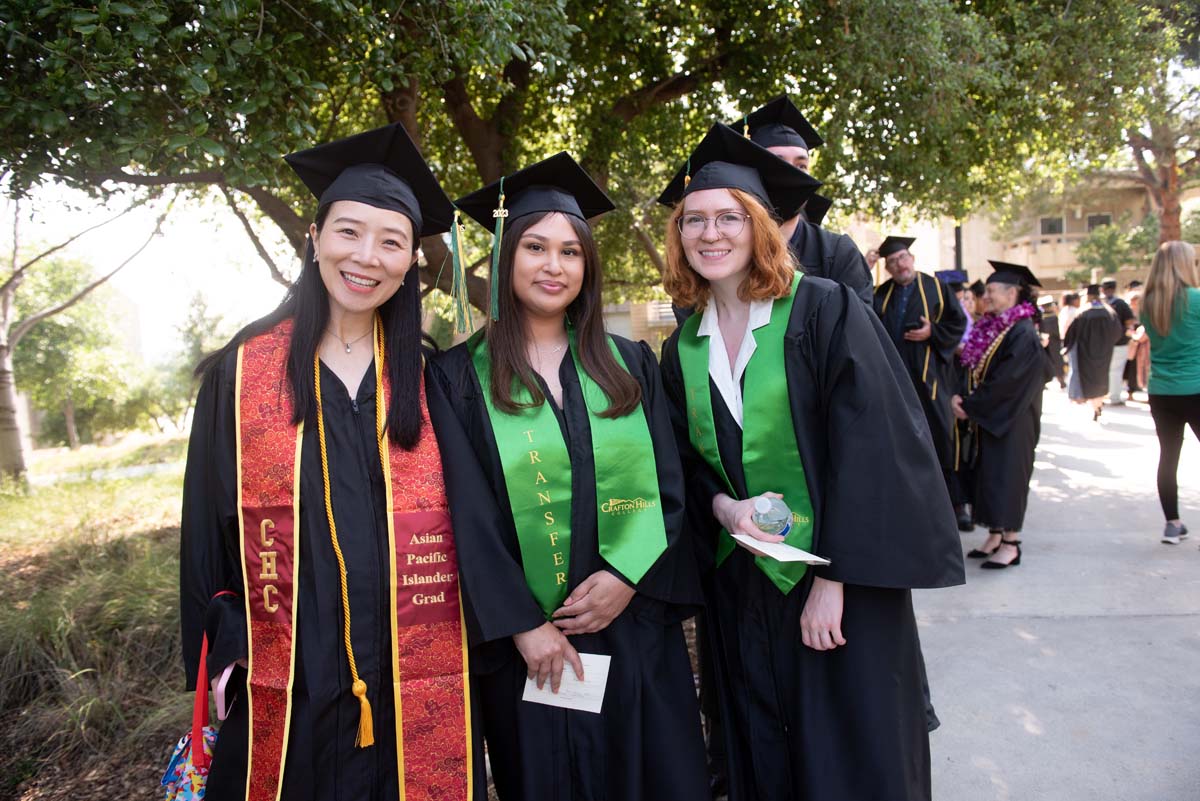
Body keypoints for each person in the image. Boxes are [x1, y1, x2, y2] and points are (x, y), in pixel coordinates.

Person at [657, 122, 964, 801]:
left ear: (762, 226)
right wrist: (721, 504)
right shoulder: (681, 347)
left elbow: (876, 450)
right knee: (764, 744)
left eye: (729, 217)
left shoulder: (825, 312)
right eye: (695, 220)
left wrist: (835, 578)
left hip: (842, 585)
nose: (711, 233)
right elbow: (683, 460)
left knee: (852, 751)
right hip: (745, 583)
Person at [179, 123, 483, 801]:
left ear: (411, 262)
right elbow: (204, 537)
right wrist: (222, 659)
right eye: (349, 231)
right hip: (289, 670)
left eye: (391, 241)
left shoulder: (432, 379)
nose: (366, 256)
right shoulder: (240, 374)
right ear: (314, 239)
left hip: (415, 665)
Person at [429, 153, 709, 800]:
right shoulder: (454, 379)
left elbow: (670, 486)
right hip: (531, 644)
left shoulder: (629, 362)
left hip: (634, 624)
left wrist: (626, 577)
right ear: (505, 260)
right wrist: (522, 624)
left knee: (655, 774)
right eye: (534, 247)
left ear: (587, 268)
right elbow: (463, 515)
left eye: (570, 252)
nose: (553, 266)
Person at [951, 263, 1053, 569]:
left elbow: (1008, 382)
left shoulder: (1023, 332)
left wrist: (970, 406)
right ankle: (996, 534)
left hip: (1014, 419)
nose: (987, 298)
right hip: (997, 418)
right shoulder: (1002, 327)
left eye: (993, 292)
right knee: (990, 475)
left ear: (1012, 294)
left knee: (1007, 476)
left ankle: (1011, 543)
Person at [736, 95, 874, 305]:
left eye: (801, 166)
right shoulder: (723, 250)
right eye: (775, 162)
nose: (791, 173)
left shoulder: (838, 254)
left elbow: (859, 333)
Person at [874, 236, 969, 501]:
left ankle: (951, 502)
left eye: (903, 257)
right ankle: (909, 497)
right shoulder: (882, 294)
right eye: (893, 261)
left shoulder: (936, 287)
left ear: (912, 258)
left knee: (940, 435)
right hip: (894, 376)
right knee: (900, 437)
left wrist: (932, 331)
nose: (900, 264)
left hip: (930, 378)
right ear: (889, 268)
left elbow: (957, 323)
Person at [1141, 241, 1200, 545]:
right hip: (1196, 386)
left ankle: (1172, 524)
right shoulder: (1196, 299)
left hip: (1162, 391)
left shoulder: (1148, 303)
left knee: (1168, 457)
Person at [935, 269, 976, 531]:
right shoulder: (939, 312)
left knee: (959, 447)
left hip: (962, 381)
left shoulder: (966, 318)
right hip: (943, 381)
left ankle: (960, 504)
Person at [1064, 284, 1123, 421]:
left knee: (1089, 379)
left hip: (1086, 352)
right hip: (1105, 352)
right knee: (1102, 377)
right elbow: (1117, 332)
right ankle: (1098, 404)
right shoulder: (1109, 312)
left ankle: (1095, 406)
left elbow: (1072, 334)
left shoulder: (1083, 312)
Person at [1101, 277, 1136, 405]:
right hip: (1119, 343)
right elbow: (1129, 322)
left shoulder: (1098, 303)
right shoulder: (1120, 304)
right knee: (1115, 371)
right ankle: (1114, 396)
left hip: (1101, 344)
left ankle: (1102, 395)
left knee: (1104, 370)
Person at [1038, 296, 1067, 389]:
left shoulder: (1046, 317)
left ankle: (1060, 381)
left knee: (1055, 362)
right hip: (1052, 342)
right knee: (1055, 362)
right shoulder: (1049, 317)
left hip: (1051, 343)